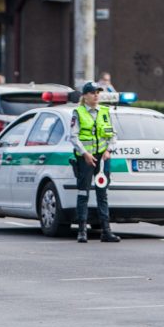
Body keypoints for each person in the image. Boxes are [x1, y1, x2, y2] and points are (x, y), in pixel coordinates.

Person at [70, 81, 120, 243]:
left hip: (102, 159)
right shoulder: (78, 112)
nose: (96, 95)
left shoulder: (105, 111)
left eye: (98, 92)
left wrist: (108, 150)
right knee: (83, 193)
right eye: (92, 92)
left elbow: (113, 135)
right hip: (85, 159)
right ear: (84, 96)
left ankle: (106, 231)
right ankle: (82, 231)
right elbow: (73, 136)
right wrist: (85, 154)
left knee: (102, 194)